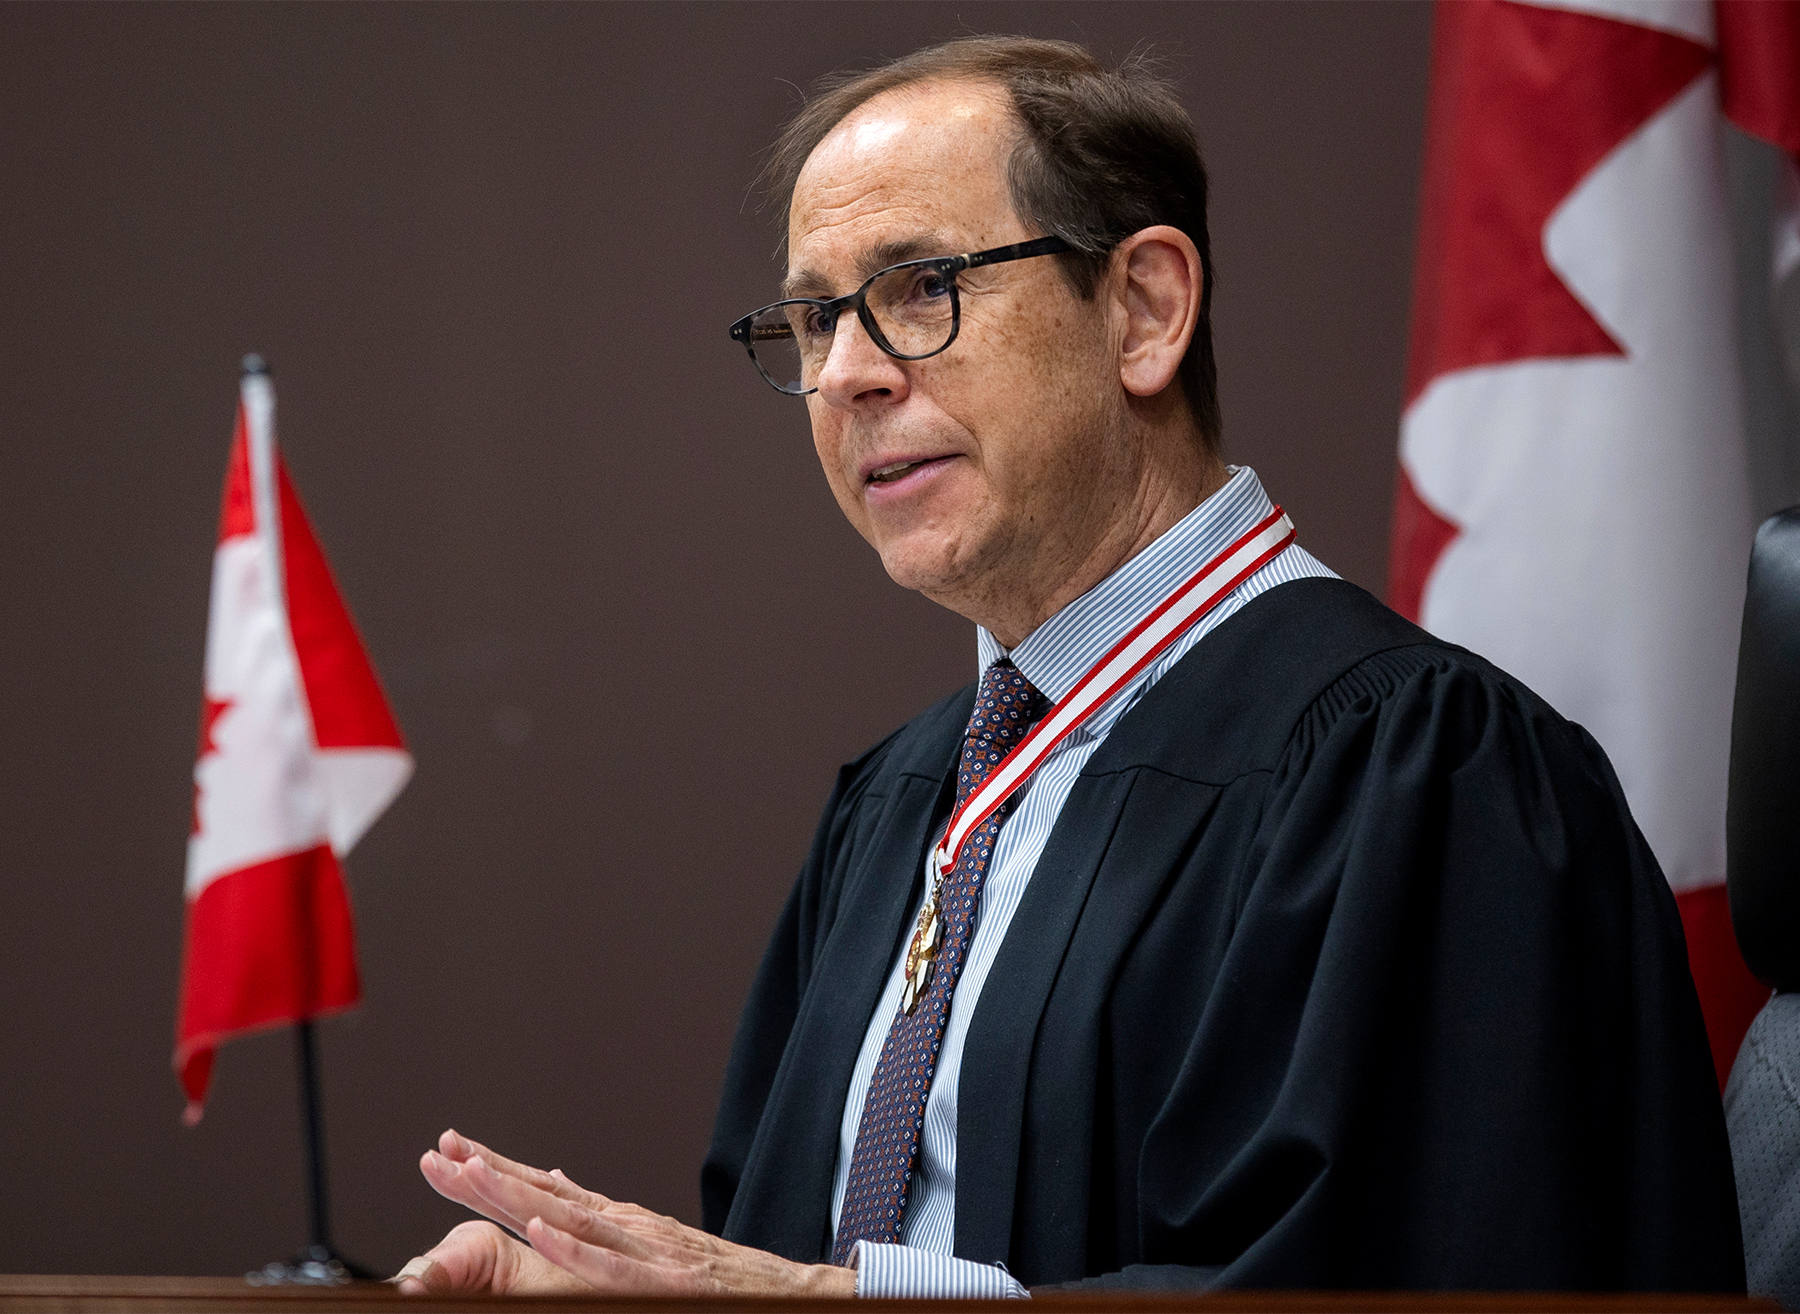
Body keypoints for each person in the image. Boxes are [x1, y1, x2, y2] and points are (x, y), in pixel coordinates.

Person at [396, 36, 1744, 1298]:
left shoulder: (1421, 776)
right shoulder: (900, 804)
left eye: (920, 290)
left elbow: (1389, 1291)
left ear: (1143, 310)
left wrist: (834, 1300)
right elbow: (763, 1260)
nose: (848, 375)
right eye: (813, 321)